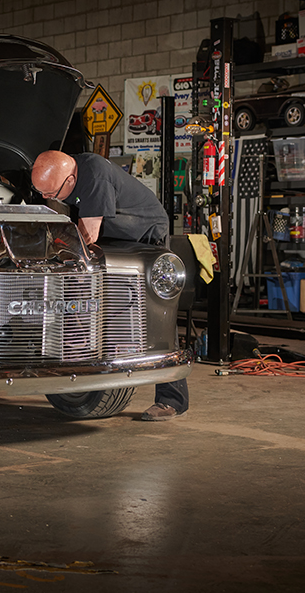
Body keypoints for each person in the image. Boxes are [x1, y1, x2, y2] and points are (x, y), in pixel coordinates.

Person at [31, 149, 188, 421]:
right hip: (115, 235)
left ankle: (171, 399)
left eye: (52, 194)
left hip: (144, 236)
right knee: (99, 304)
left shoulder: (93, 175)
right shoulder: (68, 176)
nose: (48, 199)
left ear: (70, 181)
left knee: (155, 312)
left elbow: (87, 234)